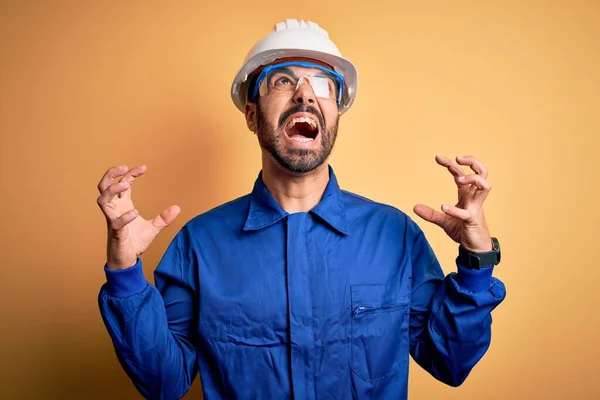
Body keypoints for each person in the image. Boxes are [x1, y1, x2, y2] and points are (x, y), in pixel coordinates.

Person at [97, 19, 506, 400]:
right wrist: (125, 272)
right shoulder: (200, 244)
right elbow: (162, 383)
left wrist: (477, 260)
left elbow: (450, 362)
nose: (305, 94)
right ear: (253, 116)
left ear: (335, 115)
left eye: (323, 85)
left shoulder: (394, 237)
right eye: (281, 80)